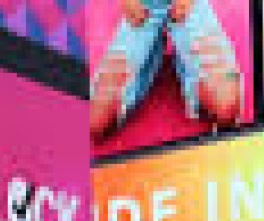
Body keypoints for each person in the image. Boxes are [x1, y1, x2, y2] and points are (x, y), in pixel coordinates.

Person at [91, 0, 243, 140]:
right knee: (96, 119)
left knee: (225, 107)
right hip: (141, 6)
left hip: (188, 4)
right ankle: (153, 50)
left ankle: (184, 58)